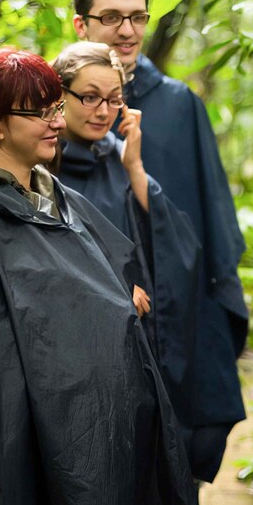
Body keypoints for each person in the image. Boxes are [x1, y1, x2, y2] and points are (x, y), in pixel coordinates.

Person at [0, 48, 196, 505]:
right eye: (40, 112)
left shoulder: (55, 197)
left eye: (55, 107)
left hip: (105, 437)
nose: (56, 122)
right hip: (28, 449)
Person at [71, 0, 246, 482]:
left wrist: (216, 323)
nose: (127, 31)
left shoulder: (177, 104)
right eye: (111, 17)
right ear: (81, 24)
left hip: (179, 314)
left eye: (138, 17)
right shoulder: (56, 102)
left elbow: (214, 223)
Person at [52, 41, 210, 473]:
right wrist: (113, 291)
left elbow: (173, 242)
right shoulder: (41, 164)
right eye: (88, 97)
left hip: (134, 345)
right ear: (58, 94)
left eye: (113, 99)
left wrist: (135, 165)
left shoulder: (115, 155)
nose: (102, 111)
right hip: (73, 357)